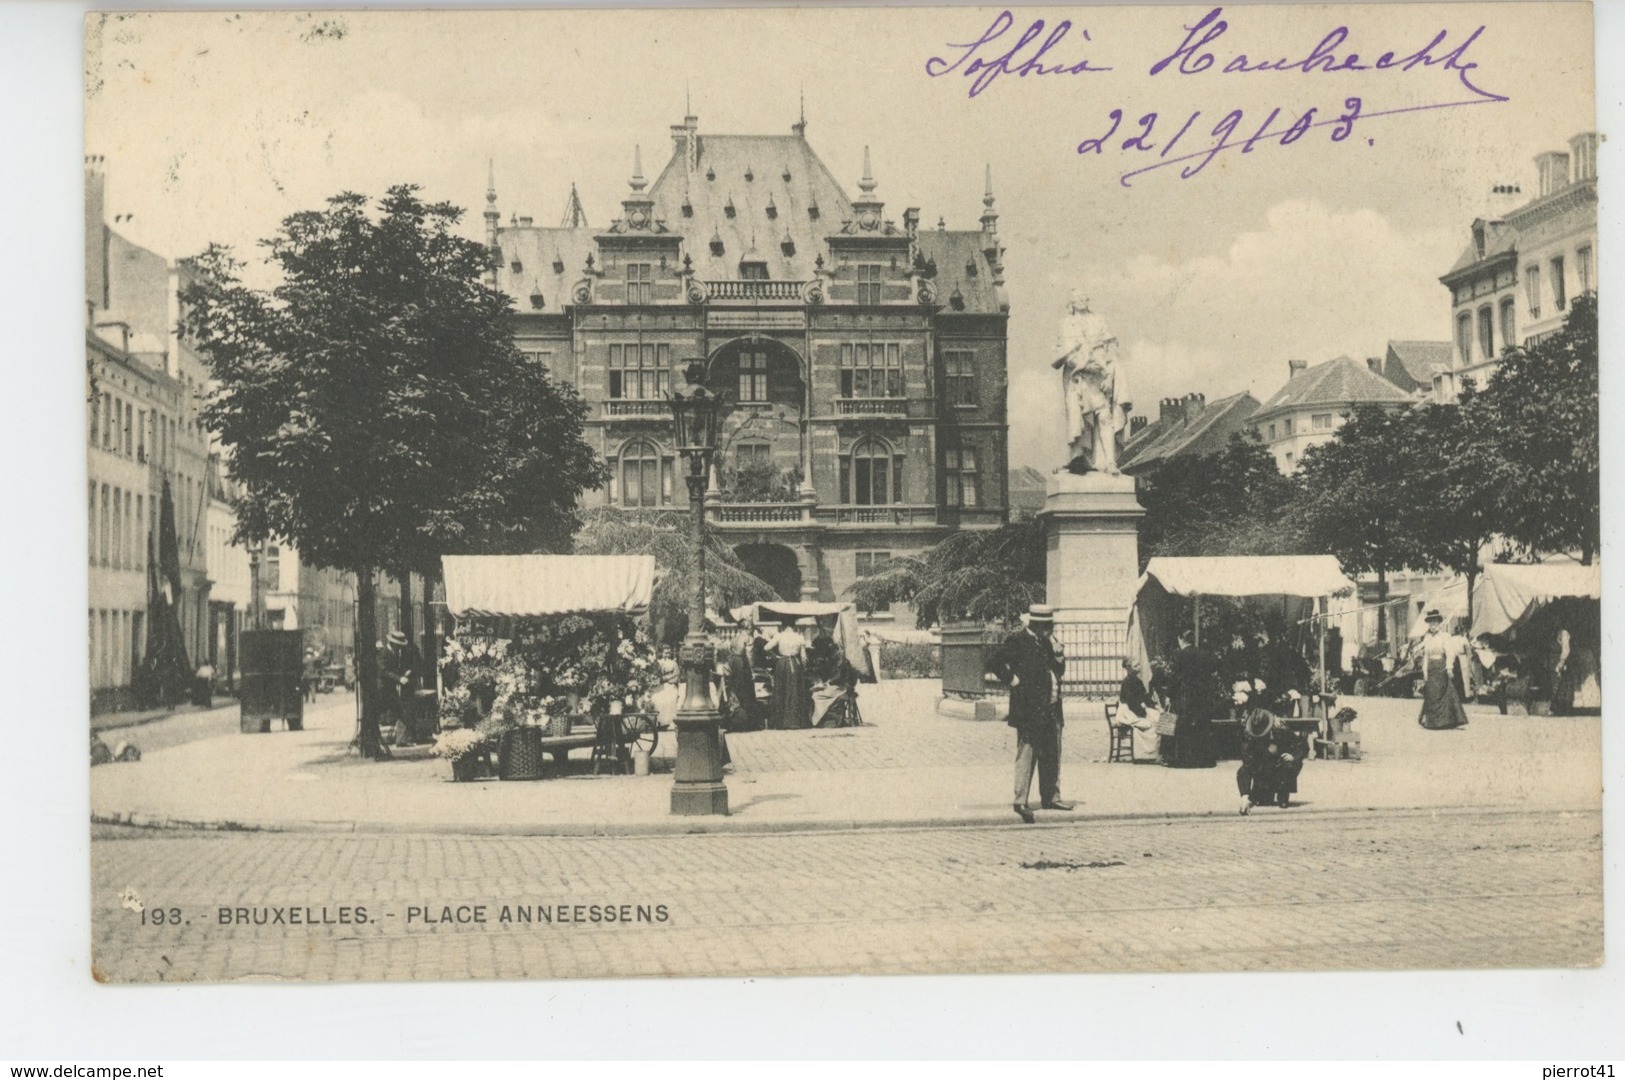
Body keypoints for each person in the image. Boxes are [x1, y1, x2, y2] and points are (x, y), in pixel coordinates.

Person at [985, 604, 1073, 823]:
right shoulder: (1018, 640)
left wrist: (1059, 653)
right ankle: (1020, 801)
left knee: (1052, 752)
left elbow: (1058, 671)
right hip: (1030, 709)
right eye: (1049, 626)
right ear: (1038, 625)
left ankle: (1050, 796)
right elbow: (992, 662)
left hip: (1051, 707)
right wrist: (1013, 681)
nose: (1051, 629)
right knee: (1027, 753)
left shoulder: (1046, 642)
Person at [1236, 705, 1306, 814]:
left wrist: (1293, 756)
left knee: (1288, 764)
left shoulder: (1281, 731)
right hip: (1263, 771)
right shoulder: (1248, 740)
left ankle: (1283, 794)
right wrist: (1245, 797)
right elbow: (1245, 768)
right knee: (1263, 801)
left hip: (1281, 768)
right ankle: (1263, 792)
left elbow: (1302, 746)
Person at [1164, 629, 1219, 768]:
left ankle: (1184, 760)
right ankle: (1203, 759)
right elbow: (1212, 673)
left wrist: (1169, 694)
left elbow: (1174, 677)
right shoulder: (1203, 654)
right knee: (1200, 725)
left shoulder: (1179, 655)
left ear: (1181, 639)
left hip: (1185, 696)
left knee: (1184, 725)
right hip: (1201, 695)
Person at [1417, 608, 1471, 730]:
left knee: (1442, 693)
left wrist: (1449, 668)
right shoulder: (1427, 638)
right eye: (1431, 623)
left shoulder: (1445, 637)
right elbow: (1425, 656)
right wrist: (1424, 671)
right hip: (1430, 669)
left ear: (1439, 623)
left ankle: (1444, 722)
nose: (1433, 625)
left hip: (1441, 667)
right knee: (1431, 694)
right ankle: (1431, 722)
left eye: (1435, 622)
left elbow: (1450, 653)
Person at [766, 618, 812, 730]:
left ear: (783, 626)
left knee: (781, 690)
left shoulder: (779, 636)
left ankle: (781, 722)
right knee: (795, 690)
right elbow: (803, 657)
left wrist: (775, 656)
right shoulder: (799, 637)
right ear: (794, 626)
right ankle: (796, 721)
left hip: (782, 664)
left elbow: (766, 647)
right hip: (796, 664)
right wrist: (804, 668)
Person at [1116, 657, 1161, 761]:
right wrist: (1143, 710)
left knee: (1157, 718)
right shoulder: (1127, 682)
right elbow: (1130, 701)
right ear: (1129, 668)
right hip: (1128, 712)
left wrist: (1156, 706)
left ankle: (1152, 754)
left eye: (1139, 665)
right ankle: (1144, 755)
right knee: (1150, 725)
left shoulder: (1138, 680)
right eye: (1136, 666)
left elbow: (1145, 697)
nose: (1139, 667)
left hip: (1137, 709)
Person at [722, 620, 763, 732]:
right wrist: (752, 670)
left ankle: (736, 721)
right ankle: (749, 722)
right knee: (747, 692)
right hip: (742, 664)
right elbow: (749, 655)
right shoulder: (748, 638)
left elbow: (729, 653)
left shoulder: (734, 639)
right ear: (747, 628)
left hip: (733, 664)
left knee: (735, 691)